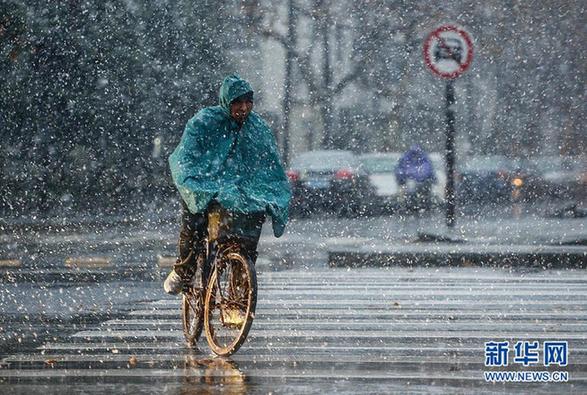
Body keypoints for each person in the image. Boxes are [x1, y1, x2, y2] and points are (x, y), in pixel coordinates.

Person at [164, 74, 291, 294]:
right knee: (193, 224)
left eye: (247, 102)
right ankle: (184, 269)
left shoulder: (258, 129)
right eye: (238, 103)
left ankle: (240, 289)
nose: (243, 108)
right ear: (227, 102)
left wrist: (271, 193)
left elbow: (269, 166)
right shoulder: (204, 122)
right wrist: (194, 183)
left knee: (249, 233)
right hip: (205, 184)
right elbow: (186, 157)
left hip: (241, 191)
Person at [395, 144, 436, 211]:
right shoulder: (421, 158)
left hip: (419, 182)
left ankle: (413, 206)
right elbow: (427, 170)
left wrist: (410, 176)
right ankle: (416, 206)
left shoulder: (409, 158)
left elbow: (427, 170)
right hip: (414, 182)